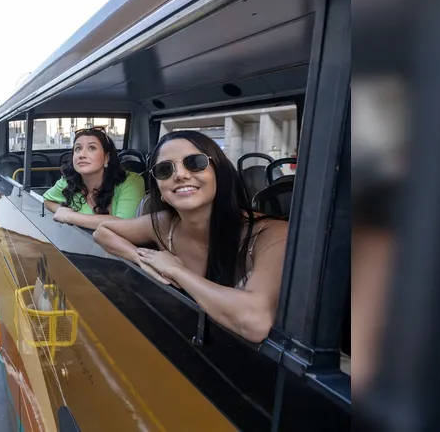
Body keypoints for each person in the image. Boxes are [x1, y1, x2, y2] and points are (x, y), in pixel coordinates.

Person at [93, 130, 288, 343]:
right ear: (160, 190)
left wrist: (176, 271)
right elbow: (103, 231)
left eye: (195, 163)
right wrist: (142, 258)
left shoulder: (271, 234)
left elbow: (254, 323)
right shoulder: (163, 223)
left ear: (219, 173)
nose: (180, 175)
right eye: (165, 170)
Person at [42, 127, 146, 230]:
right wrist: (61, 210)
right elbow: (47, 200)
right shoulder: (69, 181)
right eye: (78, 149)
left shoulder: (131, 181)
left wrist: (70, 217)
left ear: (106, 157)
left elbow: (126, 224)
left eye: (92, 148)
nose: (82, 155)